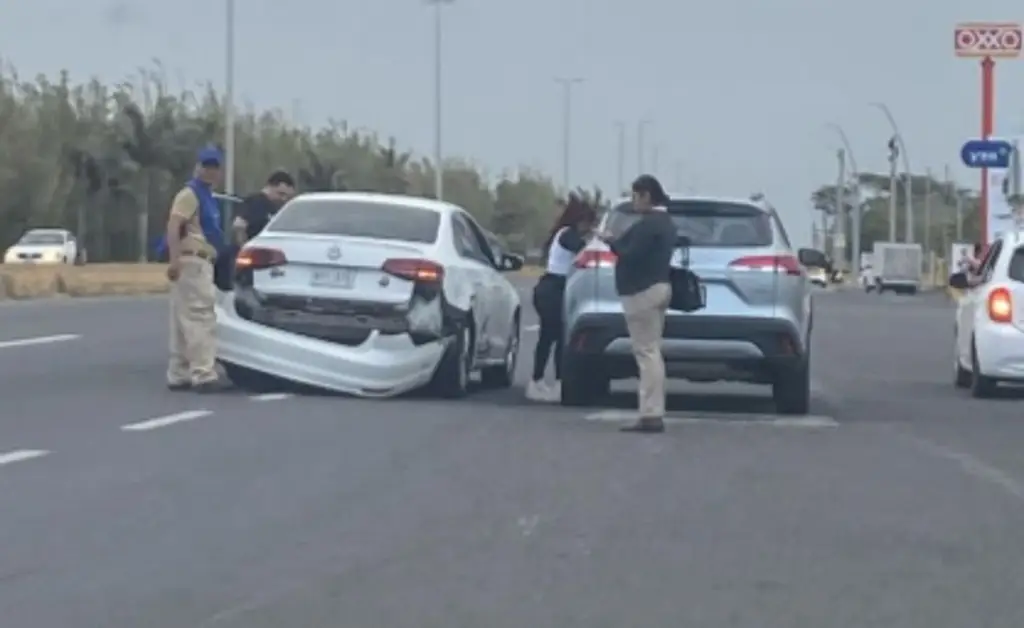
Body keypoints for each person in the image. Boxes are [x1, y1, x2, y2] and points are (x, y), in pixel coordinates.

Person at [598, 174, 676, 433]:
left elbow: (630, 253)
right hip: (658, 288)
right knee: (652, 351)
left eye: (635, 196)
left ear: (646, 196)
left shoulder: (650, 224)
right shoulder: (665, 222)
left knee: (646, 353)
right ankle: (653, 410)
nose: (633, 202)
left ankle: (651, 413)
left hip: (642, 292)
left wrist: (611, 241)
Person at [165, 146, 232, 392]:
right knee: (201, 316)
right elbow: (174, 225)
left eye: (214, 167)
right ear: (197, 167)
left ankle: (180, 372)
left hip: (199, 260)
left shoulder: (206, 197)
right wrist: (174, 261)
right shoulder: (190, 194)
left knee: (183, 319)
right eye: (206, 166)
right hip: (192, 260)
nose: (209, 171)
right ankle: (203, 373)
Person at [525, 195, 596, 402]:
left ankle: (545, 381)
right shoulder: (566, 235)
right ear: (579, 221)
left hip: (556, 289)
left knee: (553, 337)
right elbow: (579, 247)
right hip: (552, 289)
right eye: (587, 224)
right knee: (553, 337)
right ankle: (544, 381)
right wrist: (595, 238)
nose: (587, 228)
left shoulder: (564, 234)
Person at [232, 170, 296, 244]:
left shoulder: (276, 208)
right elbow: (239, 225)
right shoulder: (256, 201)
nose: (283, 199)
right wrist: (245, 248)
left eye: (287, 197)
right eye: (281, 194)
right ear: (269, 187)